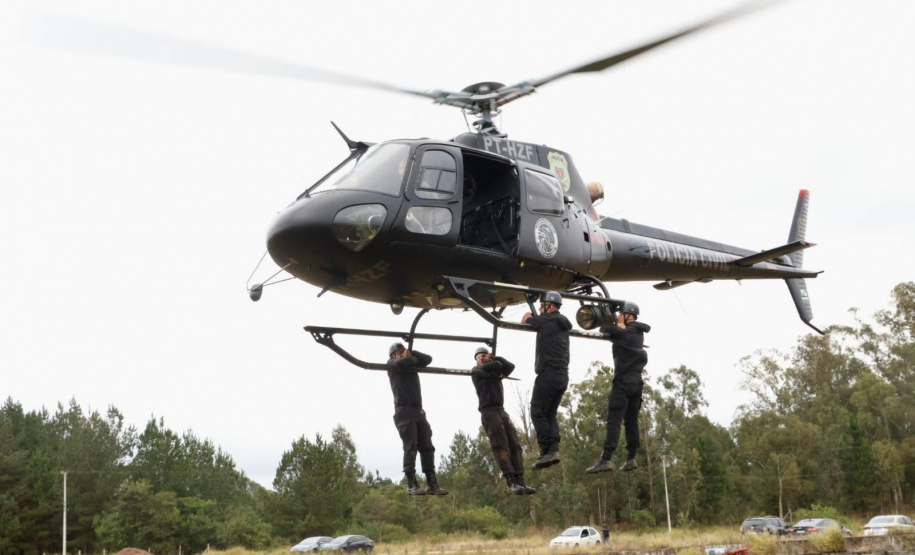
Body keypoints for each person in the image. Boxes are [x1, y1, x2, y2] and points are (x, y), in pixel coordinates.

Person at [586, 301, 651, 474]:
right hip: (637, 384)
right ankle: (631, 457)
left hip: (623, 383)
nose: (619, 317)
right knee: (631, 421)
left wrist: (618, 327)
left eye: (621, 314)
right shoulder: (638, 332)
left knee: (614, 420)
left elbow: (604, 329)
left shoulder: (625, 332)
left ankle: (606, 458)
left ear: (629, 316)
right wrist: (620, 327)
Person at [470, 346, 536, 495]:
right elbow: (495, 366)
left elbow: (510, 366)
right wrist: (493, 362)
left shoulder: (495, 369)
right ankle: (511, 481)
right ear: (476, 360)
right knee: (501, 445)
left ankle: (520, 480)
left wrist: (496, 357)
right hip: (488, 412)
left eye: (484, 355)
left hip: (501, 410)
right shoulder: (476, 371)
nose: (482, 358)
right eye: (479, 356)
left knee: (515, 444)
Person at [387, 341, 448, 495]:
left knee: (427, 446)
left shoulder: (410, 362)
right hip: (403, 410)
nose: (403, 353)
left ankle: (431, 482)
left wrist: (412, 351)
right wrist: (408, 357)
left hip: (417, 410)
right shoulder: (392, 364)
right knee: (411, 445)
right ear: (394, 355)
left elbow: (428, 359)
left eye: (404, 351)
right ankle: (411, 483)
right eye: (400, 352)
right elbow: (405, 361)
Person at [522, 290, 572, 470]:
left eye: (542, 305)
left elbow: (527, 319)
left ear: (549, 306)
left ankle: (545, 450)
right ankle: (553, 449)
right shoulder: (562, 323)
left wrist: (530, 314)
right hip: (562, 375)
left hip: (548, 374)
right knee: (549, 413)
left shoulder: (547, 321)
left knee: (537, 411)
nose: (540, 309)